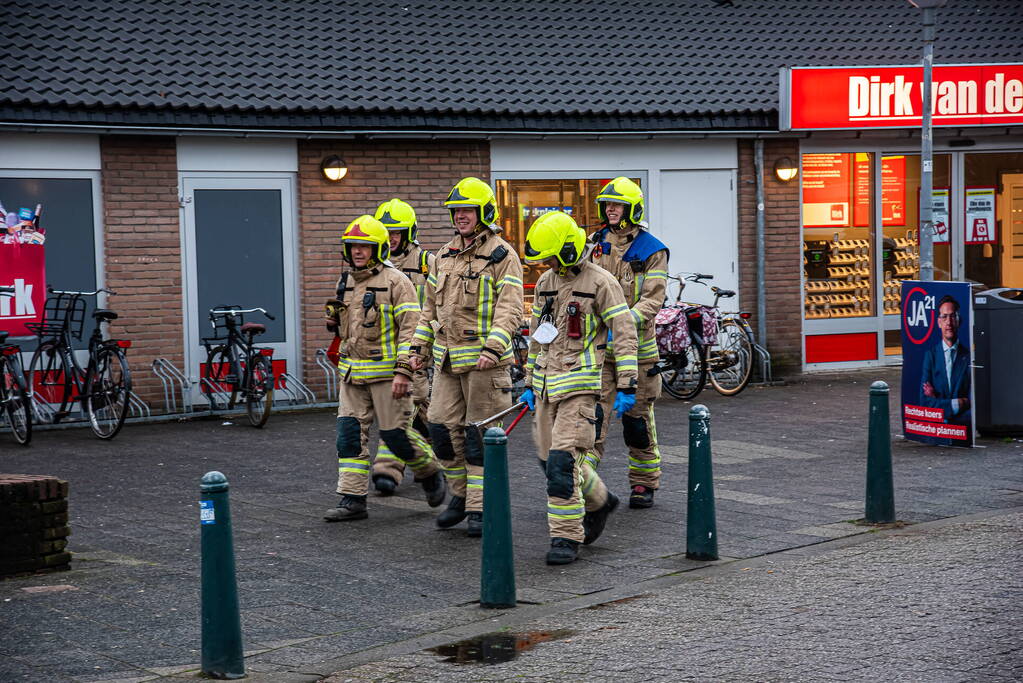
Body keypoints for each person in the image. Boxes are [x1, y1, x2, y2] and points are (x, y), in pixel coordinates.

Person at [519, 211, 638, 565]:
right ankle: (600, 499)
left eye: (551, 257)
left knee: (561, 462)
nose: (547, 264)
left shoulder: (602, 283)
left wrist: (628, 383)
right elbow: (538, 336)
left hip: (581, 388)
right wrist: (528, 380)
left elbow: (625, 332)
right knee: (546, 458)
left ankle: (566, 537)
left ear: (569, 249)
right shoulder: (545, 284)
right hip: (544, 387)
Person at [407, 177, 524, 537]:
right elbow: (429, 311)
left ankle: (480, 506)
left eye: (467, 210)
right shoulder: (442, 255)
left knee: (479, 437)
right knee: (440, 429)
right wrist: (417, 349)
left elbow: (511, 309)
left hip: (485, 365)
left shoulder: (503, 256)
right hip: (447, 361)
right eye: (456, 210)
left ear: (484, 213)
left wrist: (493, 347)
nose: (460, 216)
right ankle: (459, 496)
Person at [323, 215, 446, 522]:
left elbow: (411, 329)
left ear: (377, 249)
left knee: (396, 437)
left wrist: (404, 371)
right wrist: (335, 324)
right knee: (349, 437)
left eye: (364, 247)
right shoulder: (346, 282)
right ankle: (352, 499)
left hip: (387, 376)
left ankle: (429, 472)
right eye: (353, 247)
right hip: (352, 375)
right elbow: (347, 329)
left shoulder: (397, 282)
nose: (357, 253)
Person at [589, 177, 669, 508]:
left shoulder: (652, 250)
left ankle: (644, 483)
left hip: (639, 354)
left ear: (631, 209)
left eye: (617, 204)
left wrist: (621, 322)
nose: (610, 209)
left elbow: (652, 300)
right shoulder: (593, 242)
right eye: (607, 204)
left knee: (637, 423)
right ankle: (585, 485)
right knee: (592, 422)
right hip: (600, 352)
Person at [368, 198, 436, 496]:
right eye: (386, 231)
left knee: (406, 403)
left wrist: (425, 345)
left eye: (397, 232)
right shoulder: (372, 266)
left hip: (416, 349)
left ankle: (388, 468)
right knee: (421, 411)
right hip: (384, 350)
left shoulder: (426, 263)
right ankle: (431, 456)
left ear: (409, 233)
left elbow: (439, 305)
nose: (391, 237)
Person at [919, 294, 971, 427]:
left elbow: (972, 402)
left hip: (961, 431)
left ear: (959, 320)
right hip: (937, 432)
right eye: (944, 316)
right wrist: (957, 403)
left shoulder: (969, 357)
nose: (949, 322)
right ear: (939, 322)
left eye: (952, 316)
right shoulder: (930, 356)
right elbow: (924, 401)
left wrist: (938, 402)